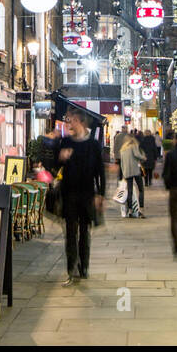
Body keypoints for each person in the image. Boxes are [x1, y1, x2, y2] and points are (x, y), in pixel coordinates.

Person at [49, 106, 105, 286]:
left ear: (80, 122)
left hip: (87, 194)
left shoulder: (93, 145)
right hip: (69, 194)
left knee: (84, 233)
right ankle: (71, 269)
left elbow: (100, 171)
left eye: (71, 119)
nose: (68, 122)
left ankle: (84, 267)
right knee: (70, 233)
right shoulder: (65, 142)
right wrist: (60, 157)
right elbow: (54, 167)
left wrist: (101, 195)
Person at [119, 134, 146, 218]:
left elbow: (122, 163)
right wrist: (143, 158)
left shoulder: (122, 149)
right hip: (135, 170)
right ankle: (140, 209)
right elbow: (137, 155)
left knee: (129, 191)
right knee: (141, 189)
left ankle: (130, 211)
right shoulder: (133, 146)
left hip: (126, 172)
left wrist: (123, 173)